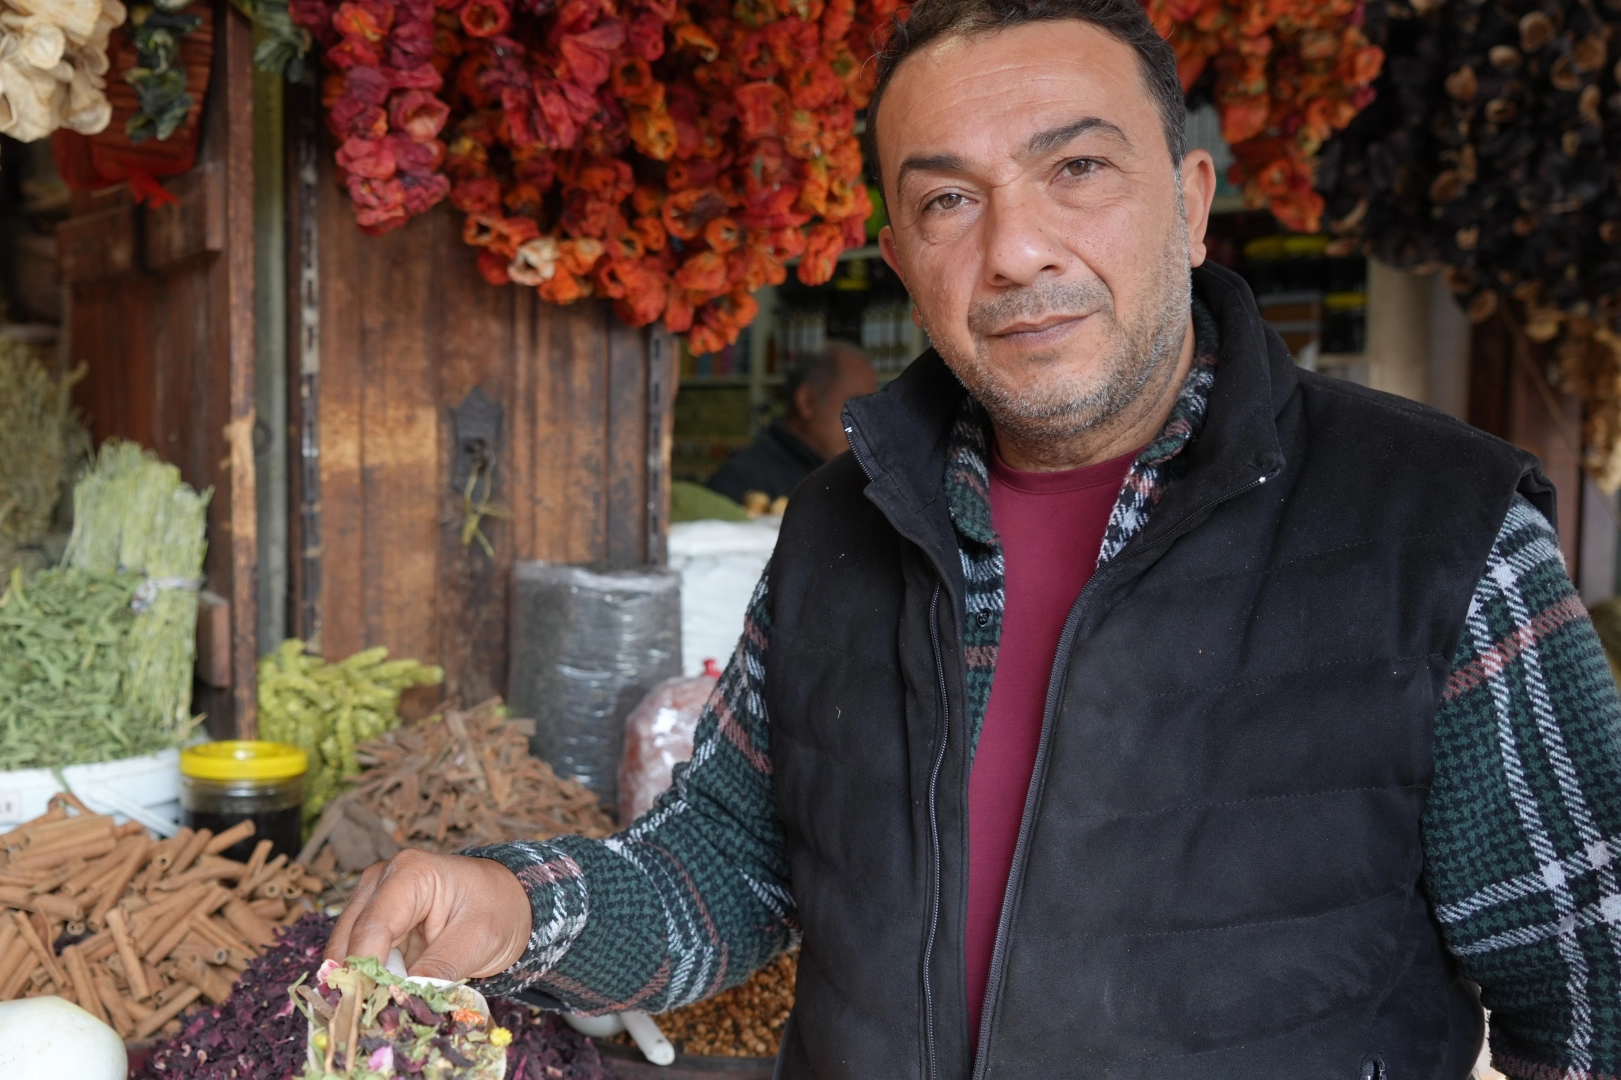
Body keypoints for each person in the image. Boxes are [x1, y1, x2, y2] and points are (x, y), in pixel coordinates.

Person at [326, 1, 1621, 1076]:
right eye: (949, 199)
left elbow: (1594, 999)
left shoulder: (1436, 529)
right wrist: (514, 909)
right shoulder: (842, 523)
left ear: (1189, 203)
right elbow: (727, 867)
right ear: (899, 255)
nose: (1015, 250)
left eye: (1077, 169)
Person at [704, 342, 879, 506]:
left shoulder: (853, 474)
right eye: (856, 406)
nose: (867, 423)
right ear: (806, 401)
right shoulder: (738, 485)